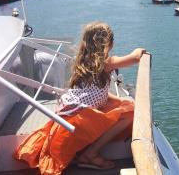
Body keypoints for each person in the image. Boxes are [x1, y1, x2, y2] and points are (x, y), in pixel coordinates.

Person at [14, 22, 146, 173]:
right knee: (130, 115)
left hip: (72, 112)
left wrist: (120, 101)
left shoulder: (83, 61)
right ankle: (91, 154)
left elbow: (98, 92)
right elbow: (135, 58)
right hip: (81, 118)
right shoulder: (106, 63)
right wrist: (139, 50)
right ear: (109, 43)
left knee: (125, 106)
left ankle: (88, 152)